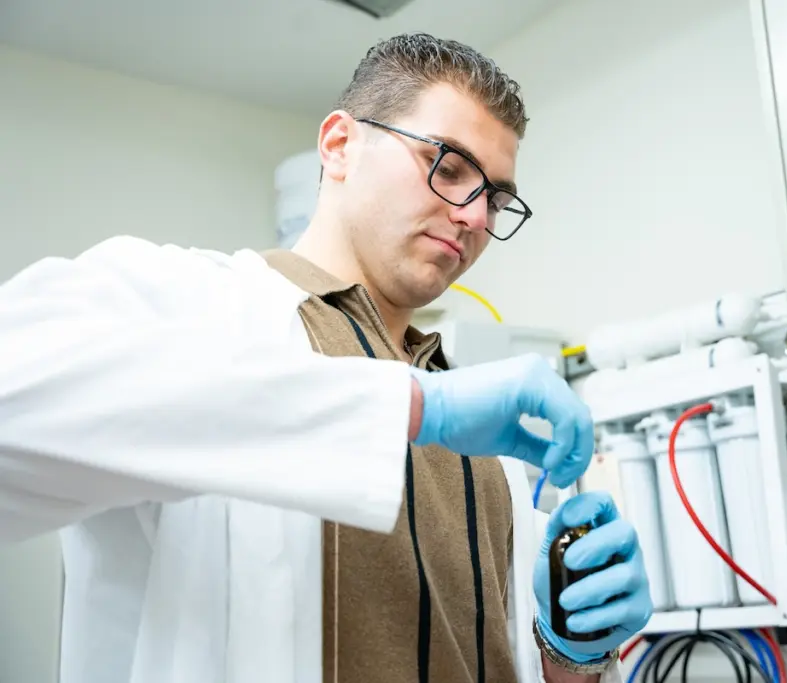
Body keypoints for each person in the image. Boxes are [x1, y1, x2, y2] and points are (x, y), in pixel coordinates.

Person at [0, 33, 653, 683]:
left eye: (497, 197)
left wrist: (573, 654)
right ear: (340, 146)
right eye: (449, 167)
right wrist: (413, 406)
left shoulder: (493, 450)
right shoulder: (188, 304)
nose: (476, 217)